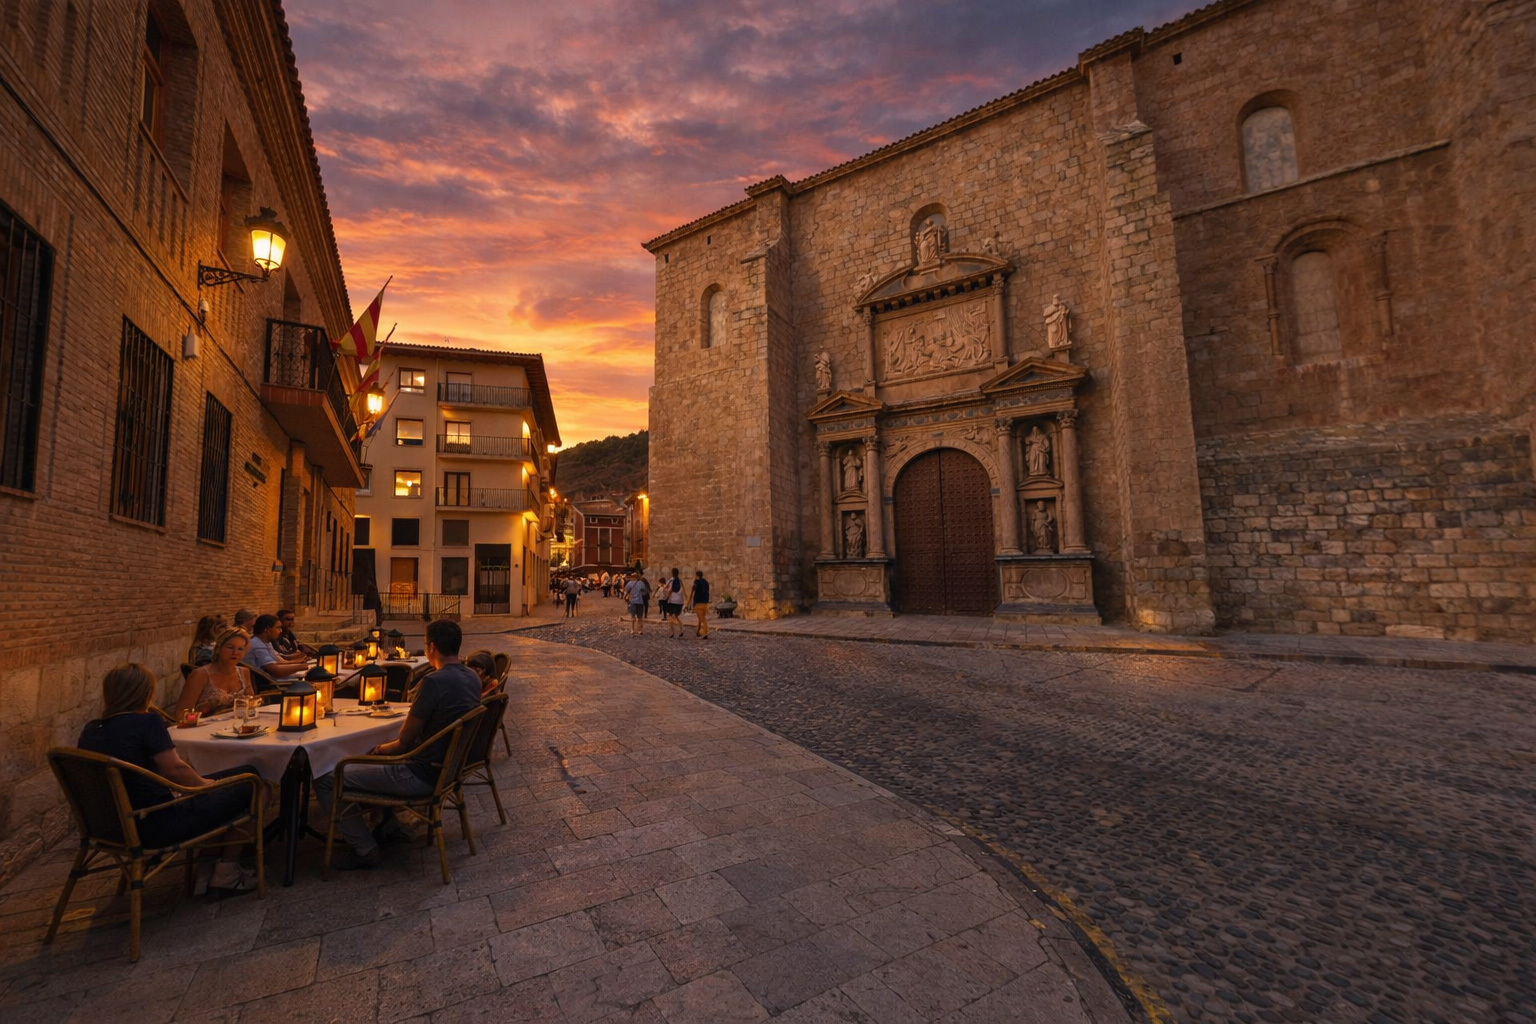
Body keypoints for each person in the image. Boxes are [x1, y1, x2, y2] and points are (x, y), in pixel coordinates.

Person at [312, 619, 482, 870]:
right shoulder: (472, 676)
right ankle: (389, 825)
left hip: (419, 773)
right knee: (365, 762)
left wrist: (378, 750)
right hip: (450, 769)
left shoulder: (433, 682)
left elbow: (404, 743)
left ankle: (363, 847)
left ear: (432, 647)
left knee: (326, 776)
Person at [78, 664, 261, 893]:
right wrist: (208, 785)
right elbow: (176, 771)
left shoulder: (91, 729)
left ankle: (208, 862)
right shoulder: (146, 723)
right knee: (253, 783)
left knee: (242, 776)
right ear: (145, 692)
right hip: (158, 824)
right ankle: (226, 870)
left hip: (112, 825)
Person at [175, 628, 257, 716]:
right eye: (230, 647)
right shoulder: (200, 675)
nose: (235, 652)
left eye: (240, 649)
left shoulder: (244, 672)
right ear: (218, 649)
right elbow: (181, 713)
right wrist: (208, 707)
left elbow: (252, 705)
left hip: (236, 725)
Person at [243, 615, 308, 679]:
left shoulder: (265, 642)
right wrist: (303, 667)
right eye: (278, 628)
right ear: (267, 629)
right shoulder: (257, 644)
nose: (280, 631)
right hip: (268, 684)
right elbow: (276, 671)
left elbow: (276, 663)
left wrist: (301, 664)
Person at [688, 570, 711, 639]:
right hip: (705, 603)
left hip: (698, 603)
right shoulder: (706, 582)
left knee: (702, 619)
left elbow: (692, 591)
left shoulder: (696, 582)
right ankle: (698, 631)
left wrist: (688, 602)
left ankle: (705, 632)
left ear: (697, 575)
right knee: (700, 618)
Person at [663, 568, 685, 638]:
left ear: (672, 573)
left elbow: (667, 589)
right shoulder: (680, 580)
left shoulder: (671, 580)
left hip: (672, 600)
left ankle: (672, 632)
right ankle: (681, 629)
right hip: (680, 601)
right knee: (677, 616)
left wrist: (666, 596)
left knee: (671, 616)